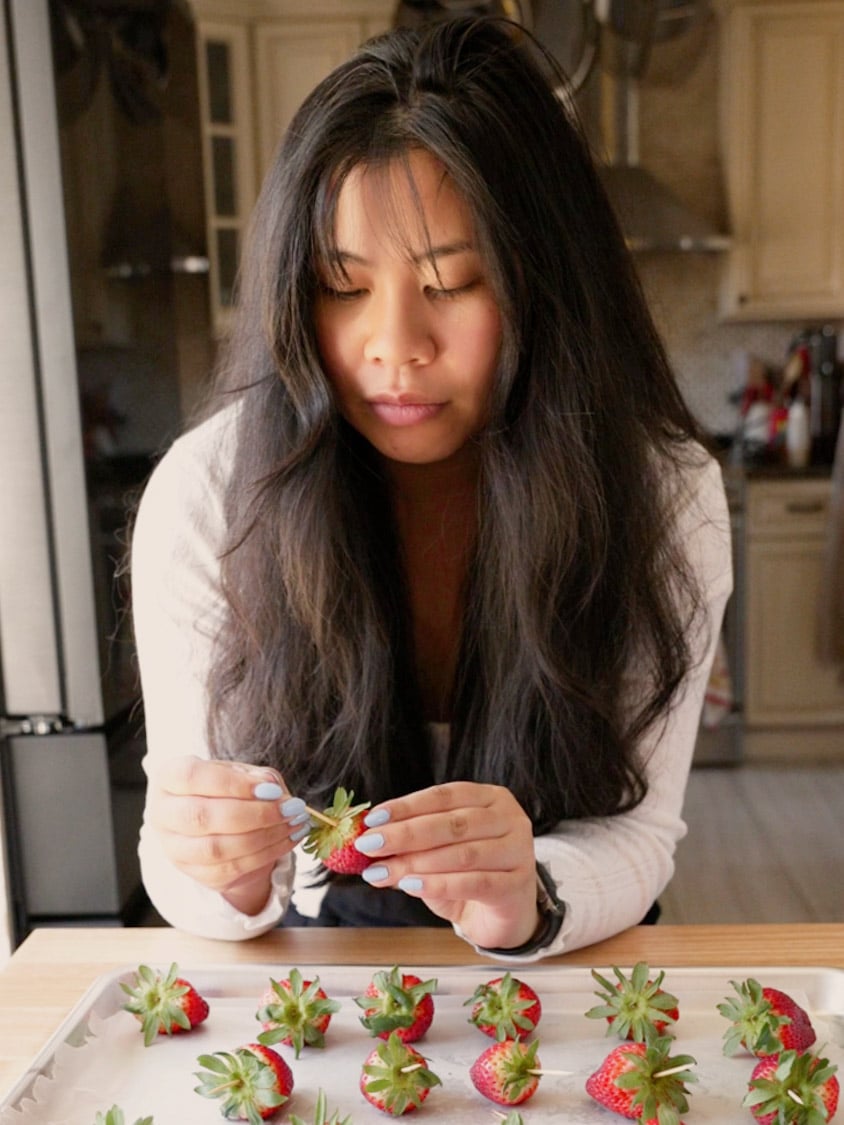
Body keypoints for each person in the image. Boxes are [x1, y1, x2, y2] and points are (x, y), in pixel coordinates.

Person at [131, 16, 732, 960]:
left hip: (572, 956)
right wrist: (227, 874)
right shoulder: (208, 491)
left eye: (450, 284)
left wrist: (528, 889)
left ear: (547, 290)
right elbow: (176, 860)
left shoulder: (665, 491)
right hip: (321, 975)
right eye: (340, 283)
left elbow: (641, 834)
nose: (393, 345)